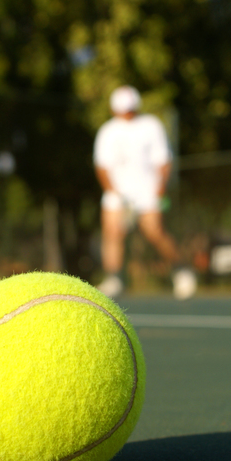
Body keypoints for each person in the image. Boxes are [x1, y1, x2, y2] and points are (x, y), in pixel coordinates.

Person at [93, 85, 197, 300]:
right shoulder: (107, 131)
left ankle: (181, 271)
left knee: (155, 232)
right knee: (112, 233)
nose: (126, 114)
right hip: (117, 195)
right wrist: (115, 195)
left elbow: (163, 162)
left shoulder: (151, 126)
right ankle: (114, 279)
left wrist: (159, 192)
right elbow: (102, 167)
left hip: (147, 193)